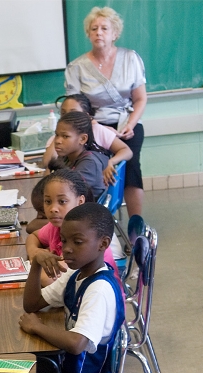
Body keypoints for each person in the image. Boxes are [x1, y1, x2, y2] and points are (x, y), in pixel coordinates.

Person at [19, 203, 125, 373]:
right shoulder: (76, 274)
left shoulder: (99, 289)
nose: (66, 249)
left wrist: (36, 327)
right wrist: (36, 264)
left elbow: (77, 343)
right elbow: (32, 304)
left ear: (103, 244)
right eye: (64, 240)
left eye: (77, 242)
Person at [65, 6, 147, 217]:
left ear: (115, 33)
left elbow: (140, 99)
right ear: (88, 34)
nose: (99, 32)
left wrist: (130, 124)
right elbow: (73, 106)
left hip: (126, 124)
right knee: (93, 170)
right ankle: (96, 221)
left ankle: (136, 225)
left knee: (130, 169)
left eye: (104, 28)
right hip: (94, 128)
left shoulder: (131, 58)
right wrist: (89, 124)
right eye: (94, 29)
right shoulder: (76, 67)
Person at [26, 169, 119, 287]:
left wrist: (35, 265)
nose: (53, 208)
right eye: (48, 201)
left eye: (62, 201)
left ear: (80, 201)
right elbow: (33, 236)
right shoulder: (55, 227)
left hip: (97, 299)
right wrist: (34, 251)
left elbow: (50, 280)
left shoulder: (83, 234)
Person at [43, 94, 132, 187]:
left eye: (74, 112)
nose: (68, 117)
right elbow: (47, 163)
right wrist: (60, 133)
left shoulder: (98, 131)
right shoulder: (61, 141)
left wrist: (111, 162)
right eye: (63, 113)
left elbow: (127, 151)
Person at [49, 111, 110, 199]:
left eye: (65, 136)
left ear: (82, 139)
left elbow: (67, 191)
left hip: (88, 210)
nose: (58, 141)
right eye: (57, 135)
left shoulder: (89, 163)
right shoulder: (65, 157)